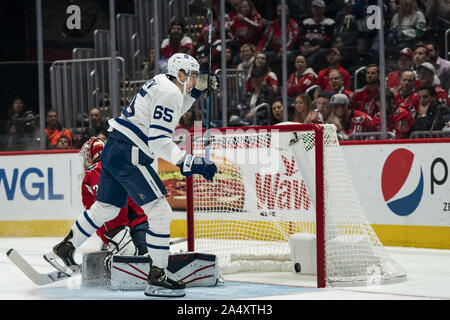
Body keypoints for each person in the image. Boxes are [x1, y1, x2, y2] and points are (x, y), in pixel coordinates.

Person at [50, 53, 217, 298]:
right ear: (180, 74)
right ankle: (158, 275)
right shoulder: (171, 92)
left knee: (106, 208)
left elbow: (172, 111)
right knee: (160, 211)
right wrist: (189, 161)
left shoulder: (162, 81)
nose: (194, 79)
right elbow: (159, 141)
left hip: (114, 149)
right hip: (132, 154)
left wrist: (194, 93)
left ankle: (67, 246)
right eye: (192, 76)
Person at [79, 137, 149, 257]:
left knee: (146, 263)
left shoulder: (97, 169)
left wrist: (113, 235)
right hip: (138, 222)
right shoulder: (116, 165)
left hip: (134, 225)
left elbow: (107, 207)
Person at [257, 3, 300, 77]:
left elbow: (292, 40)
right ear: (277, 12)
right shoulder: (273, 24)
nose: (282, 13)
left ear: (288, 12)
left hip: (289, 51)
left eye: (284, 10)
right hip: (275, 52)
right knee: (260, 57)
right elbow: (265, 39)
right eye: (280, 11)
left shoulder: (293, 24)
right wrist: (260, 50)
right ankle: (264, 77)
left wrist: (282, 50)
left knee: (285, 55)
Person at [298, 0, 336, 70]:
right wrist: (301, 47)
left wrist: (315, 48)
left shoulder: (329, 23)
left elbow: (329, 40)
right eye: (314, 8)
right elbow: (300, 38)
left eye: (319, 8)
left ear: (323, 9)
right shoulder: (306, 22)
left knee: (311, 59)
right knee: (291, 56)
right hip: (305, 49)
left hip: (320, 50)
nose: (316, 10)